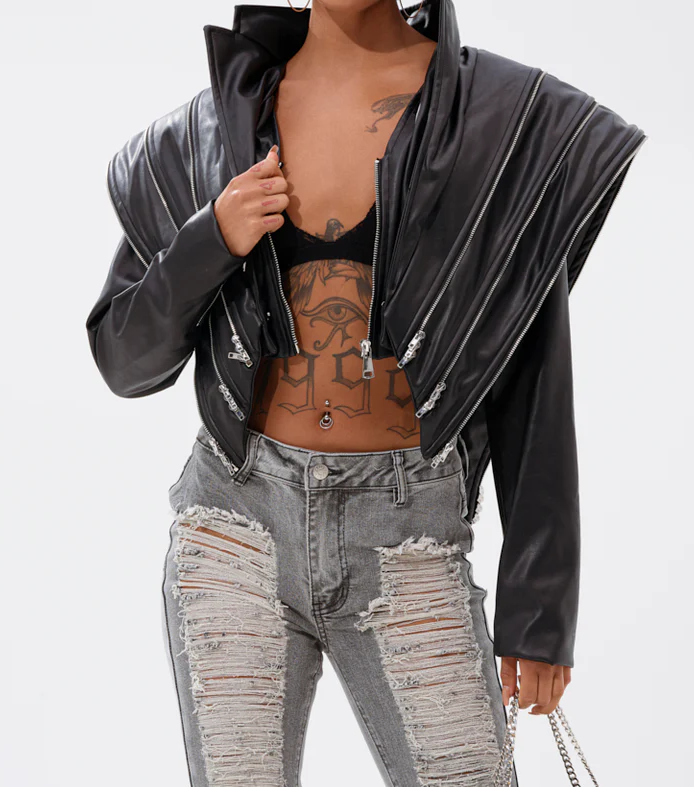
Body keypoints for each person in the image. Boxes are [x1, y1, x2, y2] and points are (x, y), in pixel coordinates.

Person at [85, 1, 647, 784]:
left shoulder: (505, 124)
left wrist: (540, 607)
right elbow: (123, 358)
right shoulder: (205, 133)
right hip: (235, 526)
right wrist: (211, 237)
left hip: (406, 530)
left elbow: (534, 374)